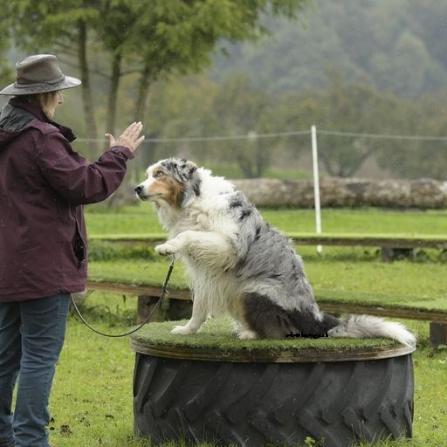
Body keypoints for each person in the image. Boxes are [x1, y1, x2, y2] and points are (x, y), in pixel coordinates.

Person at [0, 54, 144, 447]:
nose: (61, 100)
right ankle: (30, 440)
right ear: (45, 94)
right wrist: (120, 154)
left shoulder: (7, 134)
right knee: (39, 358)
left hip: (7, 265)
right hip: (41, 268)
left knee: (6, 357)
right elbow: (85, 185)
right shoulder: (41, 138)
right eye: (59, 92)